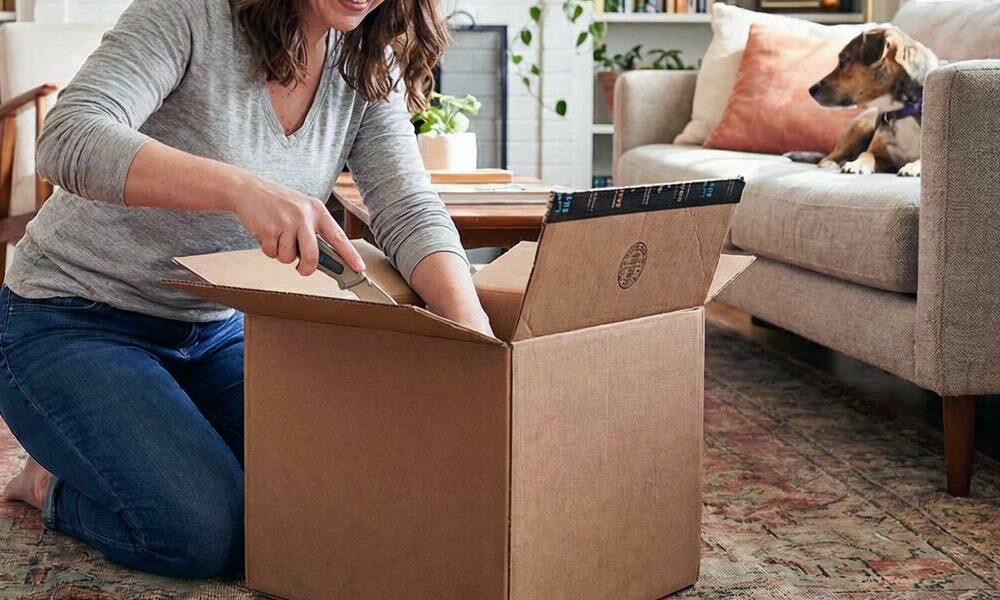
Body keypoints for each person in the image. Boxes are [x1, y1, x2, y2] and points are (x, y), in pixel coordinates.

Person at [0, 0, 492, 579]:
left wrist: (476, 340)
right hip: (68, 318)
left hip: (213, 330)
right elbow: (68, 137)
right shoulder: (189, 14)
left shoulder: (362, 57)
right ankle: (47, 483)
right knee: (204, 532)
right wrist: (241, 189)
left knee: (335, 497)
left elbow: (406, 206)